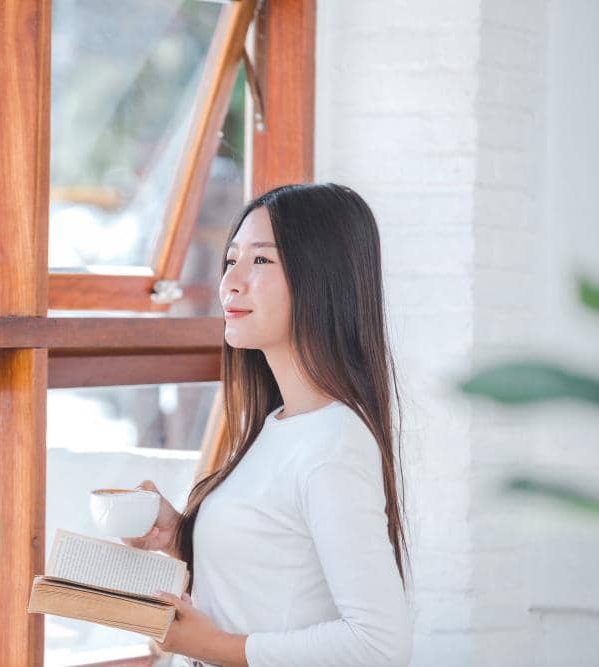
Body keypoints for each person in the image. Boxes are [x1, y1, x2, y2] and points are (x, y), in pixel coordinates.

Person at [126, 183, 413, 667]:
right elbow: (274, 575)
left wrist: (212, 648)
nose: (230, 283)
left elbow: (380, 647)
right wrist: (178, 536)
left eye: (260, 261)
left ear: (322, 277)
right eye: (230, 260)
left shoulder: (333, 443)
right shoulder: (277, 424)